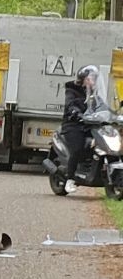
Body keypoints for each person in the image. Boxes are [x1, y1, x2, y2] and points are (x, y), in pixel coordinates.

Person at [61, 65, 99, 193]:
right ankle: (70, 180)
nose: (92, 81)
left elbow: (100, 106)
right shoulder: (71, 90)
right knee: (77, 148)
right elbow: (70, 104)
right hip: (73, 125)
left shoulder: (93, 92)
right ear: (82, 79)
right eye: (90, 78)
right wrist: (75, 112)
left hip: (88, 125)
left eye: (94, 78)